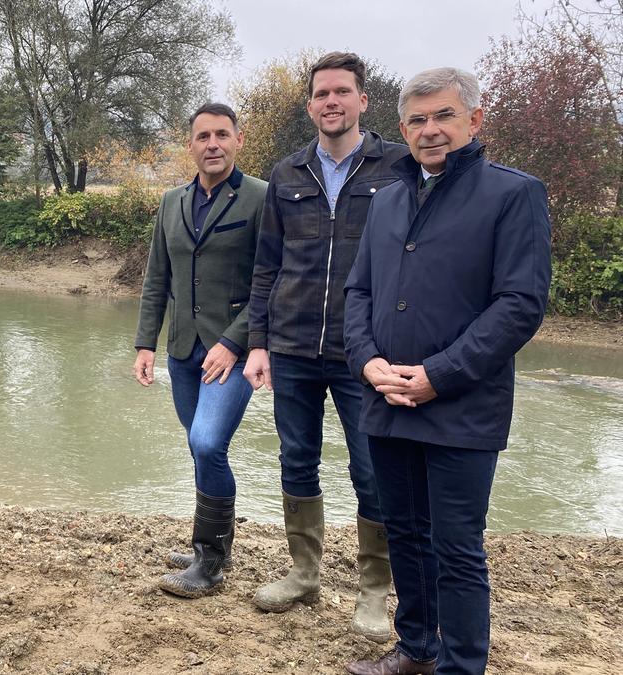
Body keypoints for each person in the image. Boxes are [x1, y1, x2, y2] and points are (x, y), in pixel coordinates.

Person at [343, 67, 551, 675]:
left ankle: (462, 665)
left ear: (474, 121)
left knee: (457, 548)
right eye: (417, 120)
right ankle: (415, 649)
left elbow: (520, 305)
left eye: (444, 116)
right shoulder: (387, 199)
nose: (430, 131)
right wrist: (367, 363)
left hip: (462, 408)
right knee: (403, 534)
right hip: (385, 401)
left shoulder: (513, 194)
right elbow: (358, 293)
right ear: (402, 128)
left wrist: (440, 373)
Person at [243, 52, 410, 641]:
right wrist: (258, 343)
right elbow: (267, 266)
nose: (331, 102)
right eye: (321, 94)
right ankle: (305, 573)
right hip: (290, 347)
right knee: (296, 459)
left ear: (364, 100)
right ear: (310, 104)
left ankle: (373, 592)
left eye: (342, 91)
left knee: (371, 471)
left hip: (365, 353)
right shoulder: (286, 174)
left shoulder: (399, 168)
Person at [133, 102, 267, 598]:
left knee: (209, 442)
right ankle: (209, 545)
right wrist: (146, 343)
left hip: (231, 352)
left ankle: (209, 563)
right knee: (198, 446)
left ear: (238, 140)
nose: (212, 144)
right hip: (182, 349)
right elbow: (156, 280)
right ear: (190, 144)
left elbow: (270, 282)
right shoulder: (171, 202)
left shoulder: (261, 198)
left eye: (222, 135)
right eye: (203, 136)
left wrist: (236, 342)